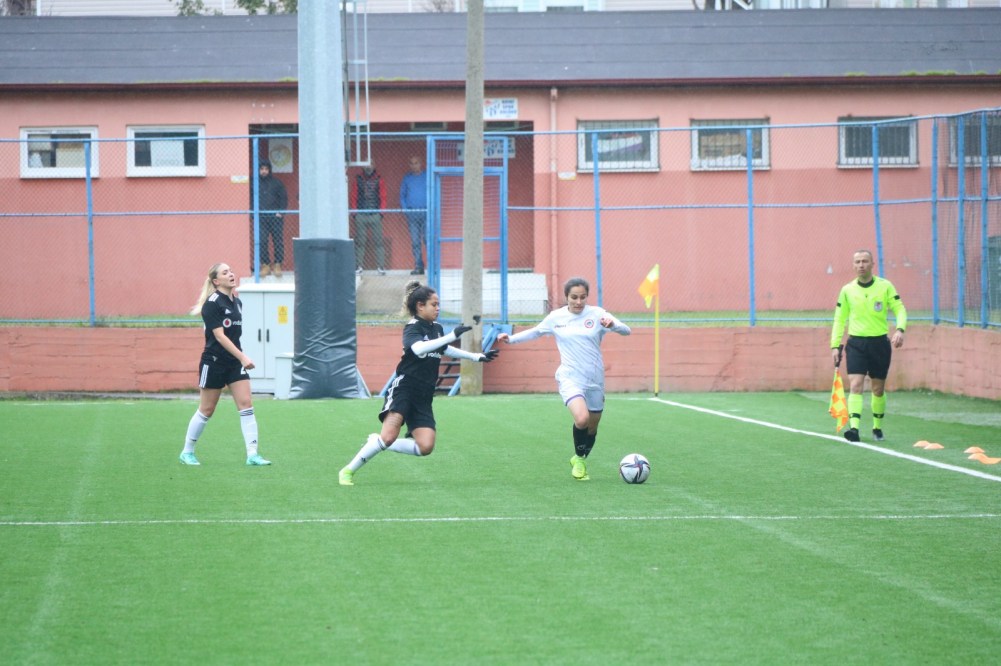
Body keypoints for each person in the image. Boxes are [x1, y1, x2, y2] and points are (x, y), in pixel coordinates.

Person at [338, 280, 498, 486]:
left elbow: (444, 349)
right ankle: (347, 471)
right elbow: (418, 349)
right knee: (388, 436)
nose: (438, 308)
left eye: (438, 304)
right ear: (420, 306)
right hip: (404, 389)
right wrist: (451, 335)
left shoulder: (437, 328)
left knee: (425, 446)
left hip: (424, 394)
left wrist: (476, 356)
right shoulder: (412, 327)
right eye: (434, 304)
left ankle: (376, 442)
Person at [497, 277, 631, 481]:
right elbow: (536, 332)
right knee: (582, 419)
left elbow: (626, 330)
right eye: (574, 297)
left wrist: (613, 325)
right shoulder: (556, 317)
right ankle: (579, 460)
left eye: (583, 297)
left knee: (593, 427)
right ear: (566, 297)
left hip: (595, 380)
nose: (578, 302)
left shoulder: (597, 314)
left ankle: (580, 458)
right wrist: (511, 339)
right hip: (570, 377)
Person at [179, 262, 272, 466]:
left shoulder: (237, 303)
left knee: (246, 404)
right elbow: (220, 337)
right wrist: (243, 357)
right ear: (216, 281)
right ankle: (187, 452)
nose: (231, 274)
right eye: (225, 272)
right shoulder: (212, 304)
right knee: (207, 410)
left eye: (230, 271)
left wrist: (238, 359)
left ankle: (252, 455)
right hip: (213, 362)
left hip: (234, 363)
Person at [830, 249, 907, 443]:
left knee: (878, 389)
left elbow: (900, 309)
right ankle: (854, 429)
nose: (861, 265)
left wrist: (900, 330)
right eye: (857, 262)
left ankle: (877, 427)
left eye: (865, 261)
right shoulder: (847, 290)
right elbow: (839, 319)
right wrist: (835, 345)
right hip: (856, 343)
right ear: (853, 265)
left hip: (879, 344)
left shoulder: (885, 286)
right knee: (855, 385)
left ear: (872, 264)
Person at [250, 159, 288, 278]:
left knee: (278, 240)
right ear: (258, 170)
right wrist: (253, 214)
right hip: (261, 217)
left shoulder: (277, 183)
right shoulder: (254, 183)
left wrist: (281, 212)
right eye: (262, 169)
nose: (264, 171)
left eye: (266, 169)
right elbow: (250, 199)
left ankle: (278, 264)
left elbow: (284, 198)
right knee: (262, 241)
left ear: (269, 170)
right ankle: (265, 265)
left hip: (275, 217)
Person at [351, 161, 387, 275]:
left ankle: (381, 267)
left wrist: (381, 213)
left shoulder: (379, 179)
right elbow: (353, 196)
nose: (368, 167)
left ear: (374, 165)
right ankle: (359, 266)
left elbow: (383, 196)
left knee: (379, 242)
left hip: (375, 214)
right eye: (366, 164)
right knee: (360, 242)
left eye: (370, 164)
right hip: (361, 214)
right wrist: (355, 213)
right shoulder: (358, 179)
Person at [399, 155, 428, 275]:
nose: (414, 165)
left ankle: (431, 266)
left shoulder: (427, 176)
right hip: (412, 215)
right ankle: (419, 266)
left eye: (416, 163)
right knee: (415, 241)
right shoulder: (407, 178)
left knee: (427, 240)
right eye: (412, 163)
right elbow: (402, 196)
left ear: (420, 164)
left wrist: (431, 208)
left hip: (426, 213)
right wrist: (406, 210)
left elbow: (433, 192)